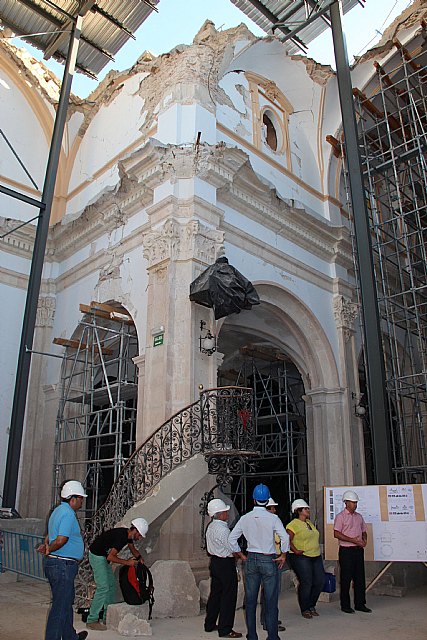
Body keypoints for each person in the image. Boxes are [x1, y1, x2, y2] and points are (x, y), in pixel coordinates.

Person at [229, 484, 289, 640]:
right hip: (268, 558)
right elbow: (285, 537)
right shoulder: (273, 518)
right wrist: (283, 554)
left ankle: (252, 635)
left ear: (254, 500)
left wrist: (241, 555)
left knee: (250, 600)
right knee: (270, 599)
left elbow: (231, 539)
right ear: (267, 500)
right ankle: (272, 636)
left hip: (251, 558)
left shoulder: (245, 518)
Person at [37, 479, 88, 640]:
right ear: (73, 498)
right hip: (62, 565)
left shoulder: (57, 511)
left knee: (65, 603)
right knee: (59, 608)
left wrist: (46, 545)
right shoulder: (67, 514)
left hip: (58, 564)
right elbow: (61, 539)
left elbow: (49, 536)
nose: (82, 502)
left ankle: (70, 637)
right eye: (80, 498)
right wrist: (48, 548)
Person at [86, 518, 149, 630]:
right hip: (97, 556)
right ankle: (92, 620)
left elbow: (132, 548)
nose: (139, 538)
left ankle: (107, 617)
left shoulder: (127, 535)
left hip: (103, 556)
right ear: (135, 530)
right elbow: (111, 557)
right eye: (140, 535)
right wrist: (128, 563)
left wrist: (139, 558)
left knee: (111, 586)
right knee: (103, 587)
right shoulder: (121, 538)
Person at [204, 498, 242, 639]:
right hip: (225, 564)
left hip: (215, 562)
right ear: (220, 514)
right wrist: (242, 556)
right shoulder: (223, 530)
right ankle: (225, 629)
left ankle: (209, 623)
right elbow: (232, 547)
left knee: (215, 594)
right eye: (225, 511)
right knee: (228, 596)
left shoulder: (211, 527)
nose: (228, 513)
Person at [334, 490, 372, 614]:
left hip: (358, 550)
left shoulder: (359, 517)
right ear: (346, 503)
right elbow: (336, 533)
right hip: (346, 551)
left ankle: (360, 604)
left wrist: (364, 540)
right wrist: (353, 540)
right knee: (346, 578)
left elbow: (364, 531)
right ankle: (345, 605)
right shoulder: (341, 517)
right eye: (353, 502)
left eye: (356, 502)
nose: (355, 505)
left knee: (359, 577)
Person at [286, 498, 324, 619]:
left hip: (315, 555)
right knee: (306, 582)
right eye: (305, 509)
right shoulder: (293, 525)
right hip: (302, 557)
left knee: (319, 581)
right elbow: (286, 539)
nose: (308, 510)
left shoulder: (309, 523)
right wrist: (296, 550)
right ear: (298, 510)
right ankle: (305, 608)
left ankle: (311, 604)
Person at [260, 498, 286, 632]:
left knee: (269, 592)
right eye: (272, 508)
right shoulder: (268, 524)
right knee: (272, 592)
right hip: (271, 559)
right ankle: (270, 622)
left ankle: (266, 618)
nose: (274, 510)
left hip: (269, 558)